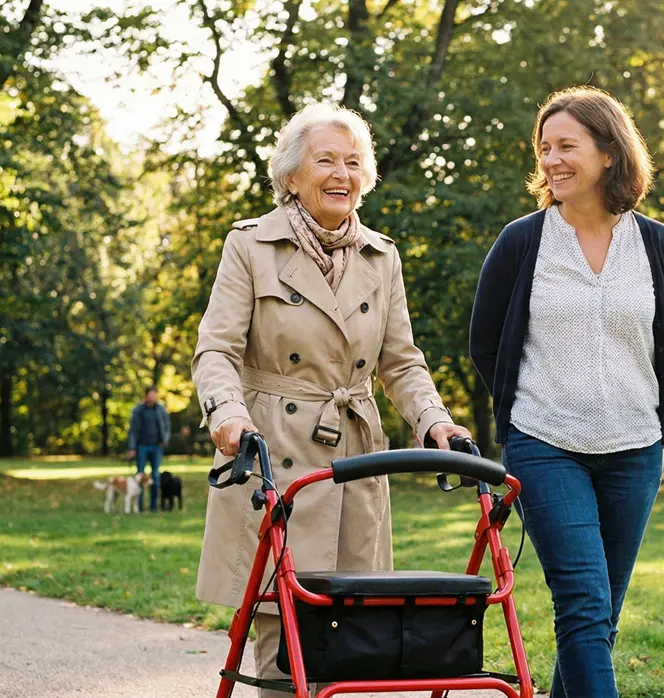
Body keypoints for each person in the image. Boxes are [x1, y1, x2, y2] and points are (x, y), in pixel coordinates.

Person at [192, 102, 472, 697]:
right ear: (292, 175)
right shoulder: (251, 246)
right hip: (271, 447)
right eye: (325, 160)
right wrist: (228, 414)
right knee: (281, 638)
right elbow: (215, 350)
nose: (341, 174)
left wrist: (435, 422)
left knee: (356, 637)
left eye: (353, 162)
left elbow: (400, 361)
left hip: (354, 458)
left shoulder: (381, 256)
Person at [469, 86, 664, 698]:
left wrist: (643, 410)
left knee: (599, 618)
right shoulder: (522, 242)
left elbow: (662, 342)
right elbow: (487, 344)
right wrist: (526, 413)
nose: (552, 160)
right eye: (544, 149)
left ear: (609, 154)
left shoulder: (657, 245)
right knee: (585, 606)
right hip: (545, 444)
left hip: (635, 448)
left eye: (568, 146)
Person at [126, 386, 170, 512]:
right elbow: (133, 430)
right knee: (139, 475)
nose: (152, 398)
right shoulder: (138, 410)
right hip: (142, 446)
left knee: (155, 476)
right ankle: (138, 506)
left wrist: (164, 440)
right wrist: (132, 447)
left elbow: (167, 426)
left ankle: (153, 506)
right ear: (146, 396)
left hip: (156, 446)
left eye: (154, 395)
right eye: (150, 395)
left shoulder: (161, 410)